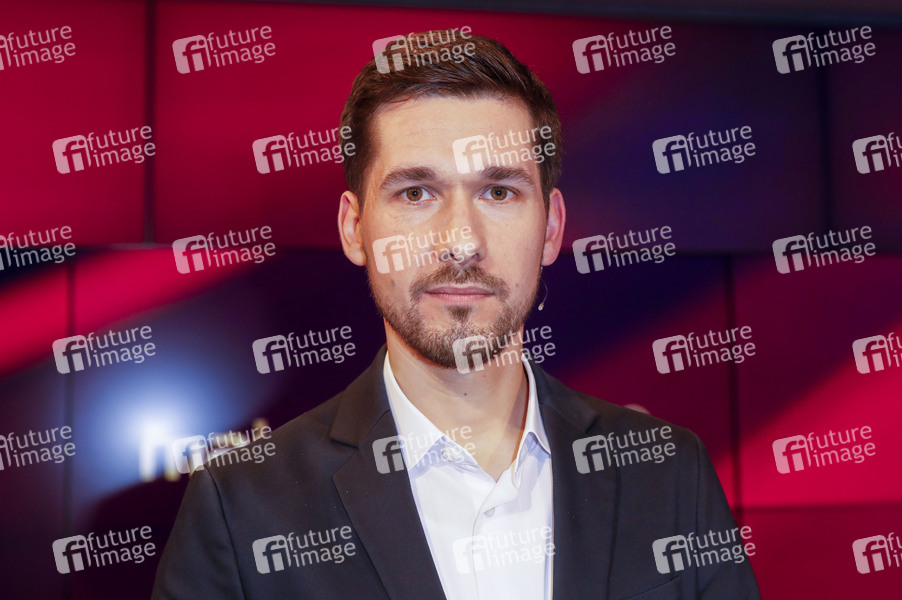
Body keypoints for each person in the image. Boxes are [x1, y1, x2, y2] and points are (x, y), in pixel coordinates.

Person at [152, 30, 761, 600]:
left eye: (499, 191)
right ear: (354, 227)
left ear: (551, 228)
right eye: (416, 193)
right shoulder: (242, 506)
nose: (461, 241)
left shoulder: (668, 472)